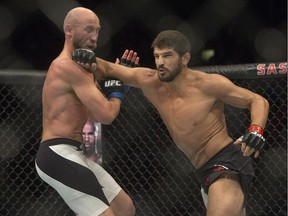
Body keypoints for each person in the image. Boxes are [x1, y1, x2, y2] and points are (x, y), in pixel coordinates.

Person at [73, 30, 269, 216]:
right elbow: (107, 68)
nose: (160, 62)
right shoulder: (150, 81)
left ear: (185, 58)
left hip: (227, 165)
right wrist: (87, 57)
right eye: (157, 56)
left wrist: (256, 129)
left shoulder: (208, 84)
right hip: (203, 169)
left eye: (167, 56)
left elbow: (257, 100)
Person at [35, 7, 136, 216]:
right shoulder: (68, 67)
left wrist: (117, 84)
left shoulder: (82, 70)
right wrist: (117, 89)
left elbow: (94, 115)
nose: (94, 37)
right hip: (57, 152)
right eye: (89, 29)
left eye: (98, 31)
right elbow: (107, 115)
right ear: (69, 30)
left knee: (124, 208)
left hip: (75, 151)